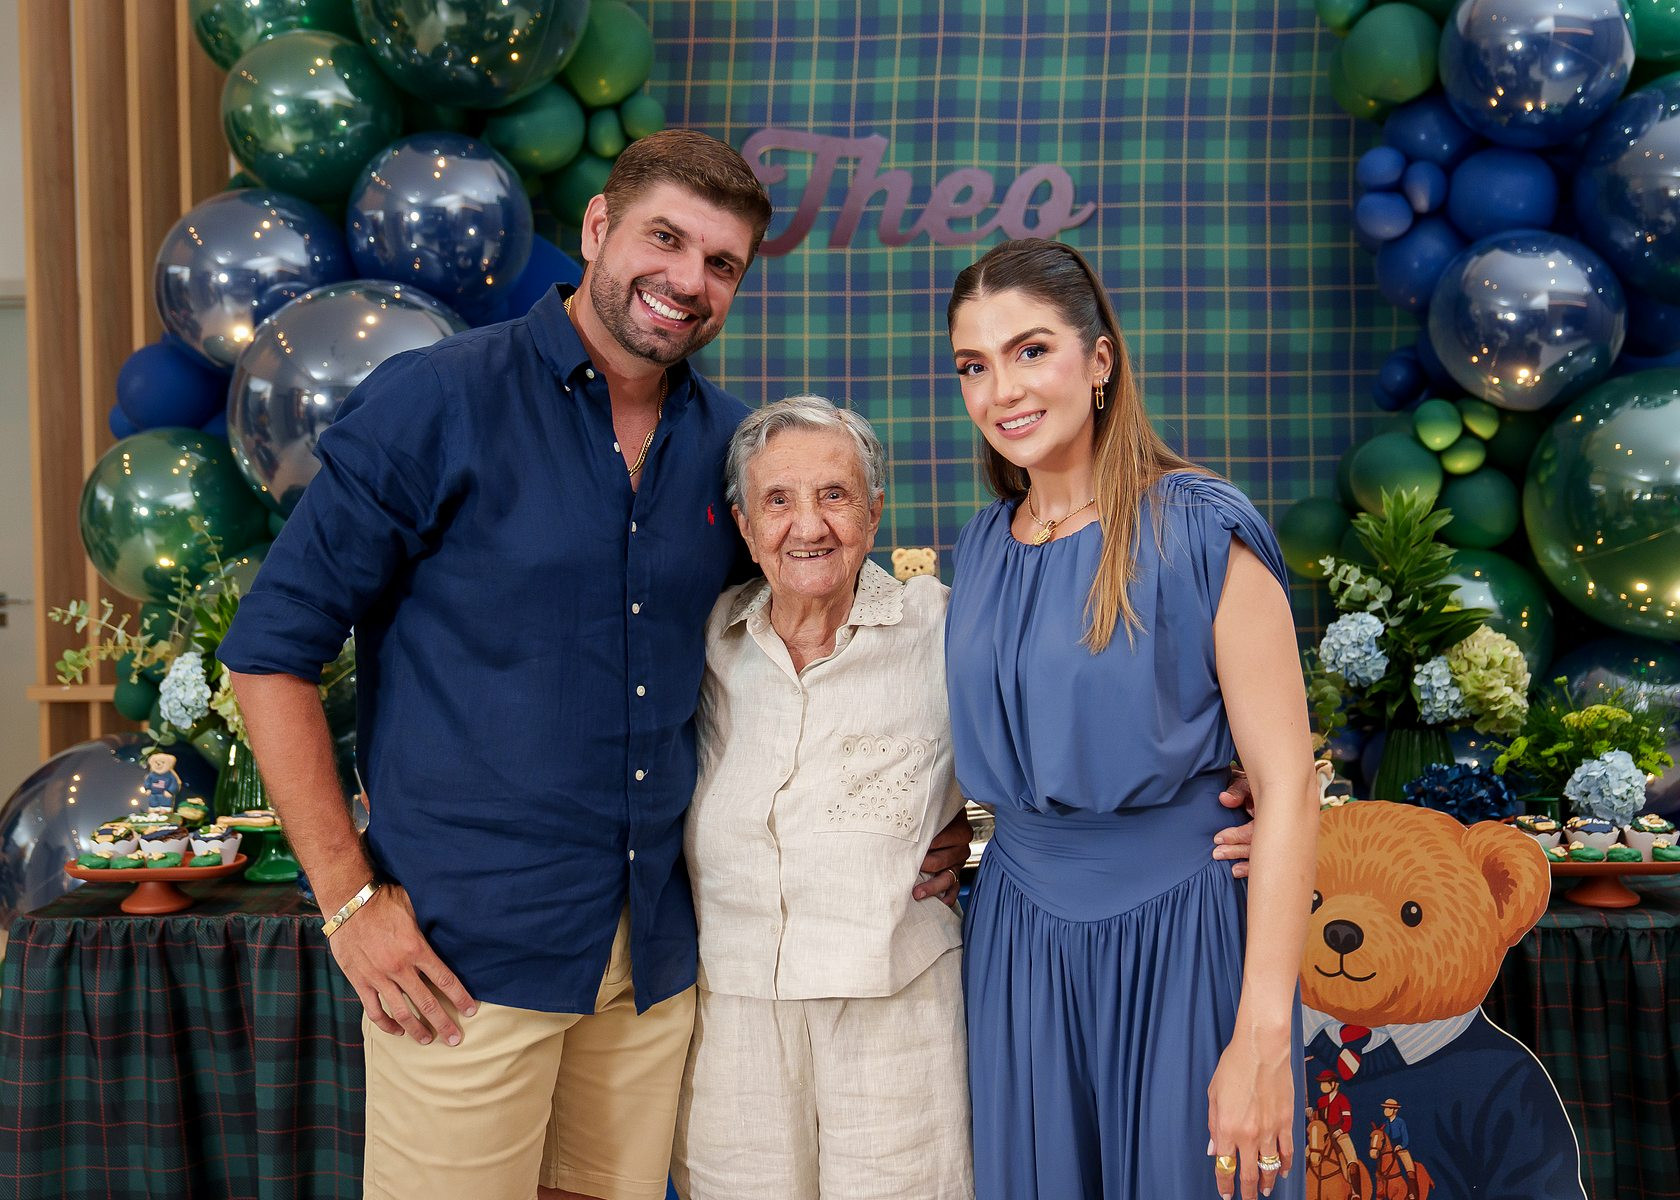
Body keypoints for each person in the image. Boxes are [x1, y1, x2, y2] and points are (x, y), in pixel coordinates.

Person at [217, 130, 973, 1200]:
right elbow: (269, 651)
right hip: (465, 959)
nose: (689, 281)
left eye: (722, 263)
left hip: (652, 966)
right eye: (666, 239)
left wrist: (928, 815)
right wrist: (347, 902)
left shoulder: (729, 449)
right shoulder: (438, 400)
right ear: (598, 228)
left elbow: (792, 657)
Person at [943, 238, 1320, 1200]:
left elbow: (1287, 786)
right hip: (1019, 942)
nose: (1001, 391)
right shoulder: (980, 546)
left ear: (1100, 359)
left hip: (1183, 934)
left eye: (1031, 351)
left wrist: (1262, 1033)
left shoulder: (1200, 526)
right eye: (974, 366)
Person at [671, 396, 972, 1199]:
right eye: (778, 500)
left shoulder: (941, 628)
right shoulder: (707, 640)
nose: (808, 525)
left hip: (897, 1013)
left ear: (875, 513)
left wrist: (974, 836)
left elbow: (1050, 745)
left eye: (834, 495)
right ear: (745, 527)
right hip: (729, 1019)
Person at [1315, 1070, 1361, 1193]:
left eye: (1325, 1082)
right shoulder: (1321, 1101)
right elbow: (1318, 1122)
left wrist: (1340, 1131)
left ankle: (1356, 1193)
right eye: (1321, 1083)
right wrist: (1310, 1116)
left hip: (1340, 1133)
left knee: (1352, 1161)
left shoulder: (1342, 1099)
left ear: (1335, 1084)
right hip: (1324, 1135)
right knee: (1307, 1154)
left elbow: (1348, 1122)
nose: (1323, 1086)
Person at [1378, 1098, 1419, 1200]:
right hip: (1388, 1151)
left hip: (1400, 1149)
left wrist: (1400, 1146)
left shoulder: (1401, 1122)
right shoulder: (1385, 1124)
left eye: (1389, 1108)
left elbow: (1405, 1138)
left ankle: (1412, 1193)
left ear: (1395, 1110)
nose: (1386, 1110)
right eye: (1385, 1108)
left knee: (1409, 1169)